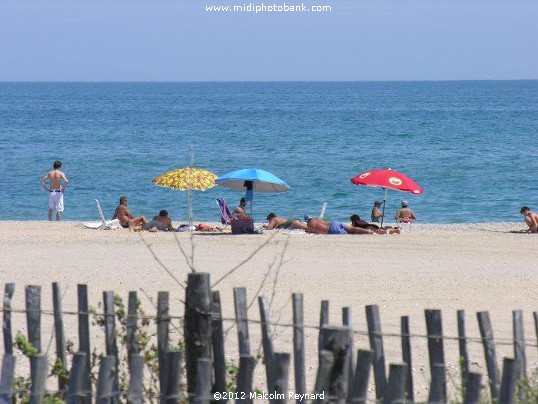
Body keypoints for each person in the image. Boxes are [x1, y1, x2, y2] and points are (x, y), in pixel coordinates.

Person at [304, 215, 399, 235]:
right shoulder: (317, 218)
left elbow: (312, 230)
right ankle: (389, 231)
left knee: (355, 232)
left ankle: (369, 232)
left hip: (331, 230)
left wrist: (309, 230)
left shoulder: (310, 225)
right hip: (335, 223)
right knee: (354, 229)